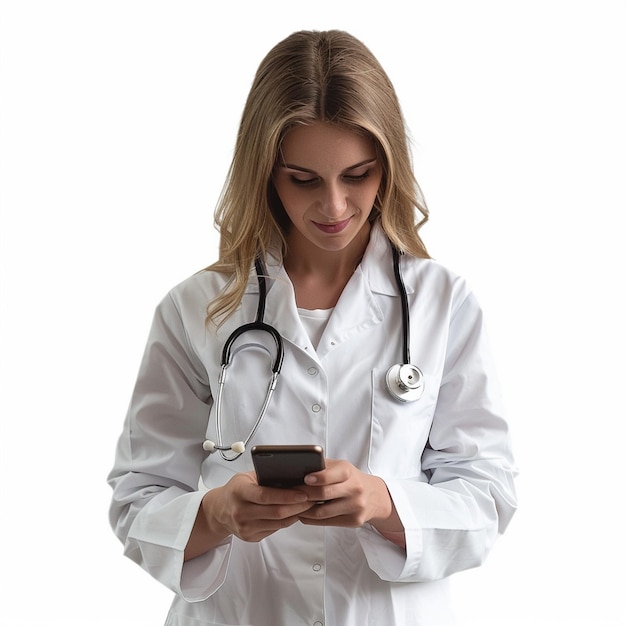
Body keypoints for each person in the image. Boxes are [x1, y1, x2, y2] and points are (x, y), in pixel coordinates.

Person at [108, 29, 517, 626]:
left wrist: (384, 502)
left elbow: (488, 494)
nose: (334, 206)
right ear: (265, 173)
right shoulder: (196, 308)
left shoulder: (442, 303)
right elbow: (137, 499)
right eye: (303, 179)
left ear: (390, 166)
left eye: (358, 175)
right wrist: (218, 513)